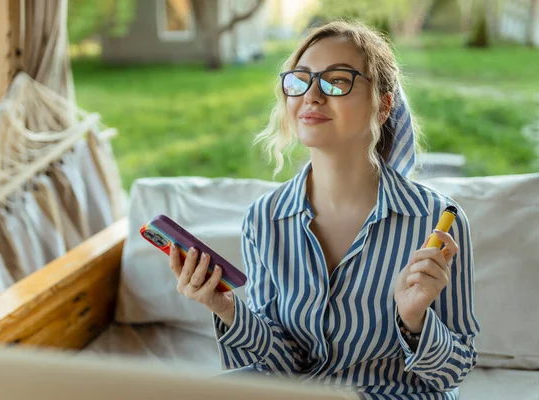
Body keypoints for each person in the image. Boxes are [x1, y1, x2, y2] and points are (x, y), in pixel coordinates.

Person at [167, 19, 480, 399]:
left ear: (382, 106)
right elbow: (285, 367)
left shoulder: (437, 221)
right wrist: (227, 308)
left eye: (337, 80)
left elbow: (454, 374)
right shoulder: (264, 219)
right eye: (300, 79)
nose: (312, 95)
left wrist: (415, 321)